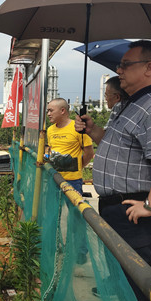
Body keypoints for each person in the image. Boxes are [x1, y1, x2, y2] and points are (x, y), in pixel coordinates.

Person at [75, 40, 151, 301]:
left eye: (125, 65)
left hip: (137, 214)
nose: (118, 70)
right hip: (118, 208)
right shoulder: (129, 104)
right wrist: (93, 130)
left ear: (149, 68)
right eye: (119, 65)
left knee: (139, 289)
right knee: (123, 281)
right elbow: (116, 144)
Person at [46, 98, 94, 264]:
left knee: (76, 218)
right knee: (51, 216)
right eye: (48, 110)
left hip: (72, 182)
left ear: (63, 111)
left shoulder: (78, 129)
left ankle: (80, 252)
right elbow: (50, 150)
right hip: (54, 180)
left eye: (51, 110)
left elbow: (89, 153)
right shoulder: (50, 130)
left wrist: (78, 167)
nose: (48, 114)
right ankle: (53, 247)